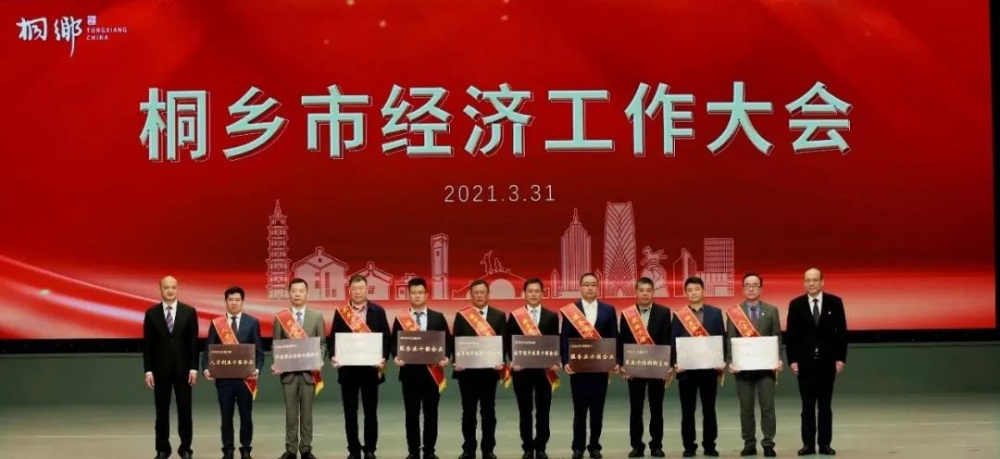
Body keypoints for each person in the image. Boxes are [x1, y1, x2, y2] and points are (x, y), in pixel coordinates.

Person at [786, 268, 848, 456]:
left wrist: (840, 358)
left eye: (814, 280)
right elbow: (791, 334)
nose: (811, 283)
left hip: (827, 363)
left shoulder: (835, 302)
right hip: (804, 364)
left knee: (825, 406)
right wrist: (792, 360)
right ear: (804, 283)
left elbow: (842, 332)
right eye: (807, 280)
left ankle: (825, 444)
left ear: (822, 282)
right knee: (807, 406)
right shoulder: (796, 304)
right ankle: (808, 445)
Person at [328, 275, 391, 459]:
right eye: (354, 289)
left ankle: (370, 449)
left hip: (371, 369)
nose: (357, 292)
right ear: (349, 290)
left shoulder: (378, 311)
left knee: (370, 412)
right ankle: (354, 450)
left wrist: (383, 358)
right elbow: (333, 338)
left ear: (367, 289)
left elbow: (386, 337)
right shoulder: (341, 312)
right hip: (348, 370)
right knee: (350, 412)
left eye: (361, 288)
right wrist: (334, 355)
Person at [391, 277, 452, 459]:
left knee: (431, 414)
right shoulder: (401, 319)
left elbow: (447, 341)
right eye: (413, 293)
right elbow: (394, 342)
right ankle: (413, 451)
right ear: (409, 295)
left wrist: (446, 357)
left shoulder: (437, 317)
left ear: (426, 295)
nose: (417, 296)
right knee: (411, 415)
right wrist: (396, 356)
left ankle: (429, 451)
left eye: (420, 292)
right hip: (409, 373)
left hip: (432, 373)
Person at [560, 273, 619, 459]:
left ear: (598, 287)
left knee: (597, 410)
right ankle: (577, 447)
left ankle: (595, 447)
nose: (590, 287)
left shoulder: (608, 310)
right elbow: (565, 338)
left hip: (600, 369)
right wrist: (565, 361)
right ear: (580, 287)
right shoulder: (571, 311)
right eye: (586, 284)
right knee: (579, 411)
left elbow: (614, 337)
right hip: (578, 369)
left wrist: (615, 361)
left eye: (593, 284)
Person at [202, 286, 265, 459]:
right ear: (226, 301)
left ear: (242, 302)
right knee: (226, 416)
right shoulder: (217, 323)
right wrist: (206, 368)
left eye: (237, 300)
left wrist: (257, 369)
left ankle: (246, 449)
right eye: (231, 300)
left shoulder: (252, 322)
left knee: (246, 415)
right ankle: (228, 450)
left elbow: (259, 352)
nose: (234, 303)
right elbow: (208, 351)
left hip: (246, 379)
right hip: (224, 380)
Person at [143, 275, 200, 459]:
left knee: (185, 411)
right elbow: (147, 345)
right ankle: (162, 449)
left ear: (177, 289)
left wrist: (194, 368)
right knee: (161, 412)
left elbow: (193, 342)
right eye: (166, 287)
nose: (170, 290)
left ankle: (185, 448)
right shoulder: (151, 314)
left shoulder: (189, 312)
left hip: (184, 370)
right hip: (160, 371)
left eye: (173, 287)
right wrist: (148, 370)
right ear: (160, 289)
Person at [725, 273, 782, 457]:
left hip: (766, 368)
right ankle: (749, 443)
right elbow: (730, 339)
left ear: (761, 288)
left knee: (768, 407)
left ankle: (768, 443)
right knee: (746, 408)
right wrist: (731, 361)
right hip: (743, 368)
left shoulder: (772, 310)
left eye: (755, 285)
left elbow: (777, 336)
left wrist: (778, 359)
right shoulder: (734, 312)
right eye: (747, 285)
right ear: (743, 288)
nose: (751, 288)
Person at [503, 278, 560, 459]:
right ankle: (527, 448)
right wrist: (513, 360)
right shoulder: (515, 316)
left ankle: (541, 447)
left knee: (543, 411)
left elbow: (555, 342)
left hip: (544, 371)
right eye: (530, 291)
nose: (534, 294)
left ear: (542, 294)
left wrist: (555, 360)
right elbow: (509, 342)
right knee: (525, 411)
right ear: (524, 294)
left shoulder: (551, 316)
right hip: (522, 371)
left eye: (537, 291)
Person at [452, 279, 507, 459]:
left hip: (489, 373)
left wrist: (501, 360)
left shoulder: (499, 316)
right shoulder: (462, 315)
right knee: (468, 413)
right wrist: (457, 360)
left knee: (488, 413)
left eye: (482, 292)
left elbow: (503, 342)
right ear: (471, 294)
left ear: (488, 294)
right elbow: (456, 341)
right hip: (467, 373)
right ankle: (468, 450)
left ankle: (488, 449)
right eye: (475, 292)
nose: (479, 295)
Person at [272, 278, 327, 459]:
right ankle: (290, 449)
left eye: (301, 291)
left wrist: (319, 359)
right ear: (289, 293)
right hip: (288, 374)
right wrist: (277, 361)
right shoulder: (281, 317)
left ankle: (306, 449)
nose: (297, 294)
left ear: (307, 294)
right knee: (290, 414)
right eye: (294, 291)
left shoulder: (316, 316)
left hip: (309, 373)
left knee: (307, 414)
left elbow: (322, 343)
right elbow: (276, 344)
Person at [618, 277, 672, 458]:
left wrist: (668, 365)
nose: (645, 294)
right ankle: (637, 446)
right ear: (636, 292)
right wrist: (624, 364)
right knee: (636, 409)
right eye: (641, 290)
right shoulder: (627, 314)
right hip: (635, 368)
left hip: (657, 367)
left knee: (657, 408)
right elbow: (622, 341)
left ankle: (656, 446)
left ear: (653, 292)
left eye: (648, 290)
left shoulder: (664, 312)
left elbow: (667, 340)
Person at [672, 276, 725, 457]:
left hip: (709, 370)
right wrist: (675, 363)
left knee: (709, 409)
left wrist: (720, 360)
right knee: (687, 411)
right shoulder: (679, 315)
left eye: (697, 289)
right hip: (686, 371)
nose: (693, 293)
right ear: (686, 293)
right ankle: (689, 446)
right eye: (690, 290)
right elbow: (673, 342)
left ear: (703, 291)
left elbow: (721, 338)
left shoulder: (715, 313)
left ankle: (710, 446)